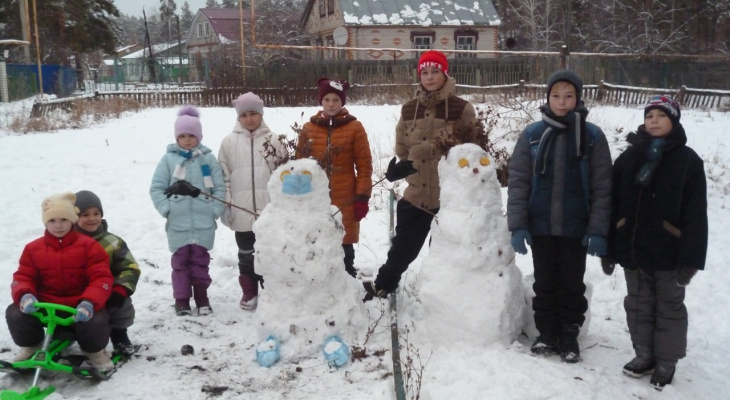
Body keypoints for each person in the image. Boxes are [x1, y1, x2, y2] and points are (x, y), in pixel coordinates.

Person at [602, 96, 707, 391]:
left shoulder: (688, 161)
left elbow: (697, 214)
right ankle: (644, 354)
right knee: (637, 304)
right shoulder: (629, 158)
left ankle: (666, 360)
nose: (654, 121)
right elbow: (614, 202)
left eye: (662, 116)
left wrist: (690, 259)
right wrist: (610, 247)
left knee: (669, 307)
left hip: (669, 251)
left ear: (674, 121)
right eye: (650, 116)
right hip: (633, 247)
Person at [507, 70, 612, 363]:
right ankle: (547, 333)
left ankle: (569, 335)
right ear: (547, 97)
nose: (562, 102)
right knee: (545, 282)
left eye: (568, 96)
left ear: (578, 98)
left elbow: (603, 184)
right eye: (556, 96)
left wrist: (598, 229)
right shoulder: (532, 135)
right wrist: (518, 224)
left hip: (575, 226)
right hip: (540, 224)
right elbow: (518, 182)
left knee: (571, 282)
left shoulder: (591, 136)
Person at [365, 50, 480, 298]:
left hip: (449, 198)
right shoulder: (408, 110)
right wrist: (398, 168)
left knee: (445, 252)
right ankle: (384, 285)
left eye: (435, 71)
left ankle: (445, 299)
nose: (429, 77)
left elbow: (475, 150)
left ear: (445, 73)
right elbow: (402, 148)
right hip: (416, 194)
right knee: (402, 248)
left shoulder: (462, 108)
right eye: (424, 72)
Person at [6, 192, 115, 373]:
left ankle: (94, 351)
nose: (58, 226)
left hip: (79, 306)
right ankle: (32, 345)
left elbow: (101, 277)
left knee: (96, 321)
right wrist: (25, 295)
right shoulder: (33, 249)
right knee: (15, 312)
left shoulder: (89, 246)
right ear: (45, 223)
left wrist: (89, 302)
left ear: (72, 220)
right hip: (44, 305)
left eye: (63, 220)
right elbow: (23, 276)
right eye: (52, 221)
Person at [150, 106, 225, 316]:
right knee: (180, 264)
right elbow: (156, 188)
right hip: (178, 223)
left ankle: (202, 298)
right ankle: (181, 300)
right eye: (182, 136)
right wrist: (167, 209)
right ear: (176, 137)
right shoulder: (168, 160)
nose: (187, 140)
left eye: (191, 135)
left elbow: (219, 187)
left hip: (204, 222)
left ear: (199, 136)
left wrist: (215, 209)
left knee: (200, 262)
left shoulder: (208, 160)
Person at [296, 78, 373, 278]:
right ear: (321, 101)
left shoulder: (355, 128)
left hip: (345, 195)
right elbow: (299, 164)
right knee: (316, 240)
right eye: (327, 99)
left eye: (336, 100)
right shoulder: (308, 129)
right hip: (315, 197)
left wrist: (362, 197)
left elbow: (364, 165)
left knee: (344, 241)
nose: (331, 104)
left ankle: (346, 280)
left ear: (342, 102)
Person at [219, 92, 286, 311]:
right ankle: (249, 292)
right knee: (246, 255)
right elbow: (223, 176)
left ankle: (270, 292)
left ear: (261, 114)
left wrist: (281, 206)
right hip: (242, 210)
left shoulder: (274, 141)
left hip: (269, 212)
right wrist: (227, 205)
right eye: (244, 115)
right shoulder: (228, 143)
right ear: (238, 117)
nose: (249, 119)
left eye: (254, 114)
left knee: (269, 253)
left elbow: (284, 176)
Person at [75, 190, 141, 356]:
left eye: (96, 213)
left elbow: (129, 266)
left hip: (106, 290)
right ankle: (63, 336)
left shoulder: (113, 242)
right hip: (76, 292)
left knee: (120, 304)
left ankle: (119, 335)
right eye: (85, 215)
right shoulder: (67, 242)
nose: (92, 219)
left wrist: (120, 289)